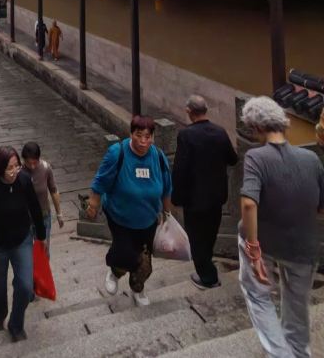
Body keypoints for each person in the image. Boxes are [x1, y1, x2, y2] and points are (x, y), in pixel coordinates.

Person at [238, 96, 324, 357]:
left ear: (257, 127)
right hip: (304, 245)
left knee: (257, 295)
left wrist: (253, 250)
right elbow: (320, 205)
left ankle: (279, 353)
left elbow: (249, 204)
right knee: (297, 306)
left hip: (265, 240)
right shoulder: (311, 158)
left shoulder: (256, 157)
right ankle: (299, 352)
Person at [86, 115, 172, 307]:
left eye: (148, 136)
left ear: (153, 137)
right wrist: (93, 205)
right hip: (120, 217)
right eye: (138, 135)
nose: (143, 141)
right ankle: (114, 271)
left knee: (145, 263)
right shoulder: (118, 153)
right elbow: (100, 181)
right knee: (125, 254)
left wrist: (167, 215)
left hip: (149, 219)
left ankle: (137, 288)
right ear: (131, 133)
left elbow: (167, 188)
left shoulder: (158, 157)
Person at [0, 146, 46, 342]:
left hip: (21, 240)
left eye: (17, 166)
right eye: (10, 168)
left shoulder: (24, 179)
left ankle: (16, 324)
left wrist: (41, 236)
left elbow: (34, 207)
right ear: (0, 169)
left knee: (25, 286)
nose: (15, 171)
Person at [172, 95, 238, 289]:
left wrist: (176, 197)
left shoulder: (186, 135)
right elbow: (233, 159)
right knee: (210, 235)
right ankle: (207, 267)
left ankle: (208, 278)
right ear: (205, 110)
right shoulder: (220, 132)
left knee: (196, 238)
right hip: (217, 196)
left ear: (189, 112)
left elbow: (180, 168)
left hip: (194, 198)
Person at [20, 142, 64, 256]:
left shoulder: (45, 168)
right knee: (26, 254)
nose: (32, 166)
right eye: (29, 163)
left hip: (43, 216)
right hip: (25, 219)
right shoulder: (19, 172)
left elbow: (53, 191)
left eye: (35, 162)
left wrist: (59, 214)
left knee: (42, 252)